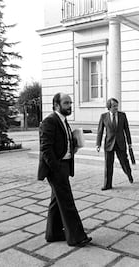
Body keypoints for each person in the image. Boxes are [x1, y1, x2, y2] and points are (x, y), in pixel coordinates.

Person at [37, 93, 92, 247]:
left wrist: (73, 146)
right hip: (57, 169)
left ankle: (53, 234)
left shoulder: (63, 120)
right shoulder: (49, 121)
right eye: (66, 103)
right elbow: (45, 149)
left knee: (57, 201)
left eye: (70, 103)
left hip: (64, 166)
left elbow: (61, 143)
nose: (70, 106)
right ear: (56, 105)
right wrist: (56, 169)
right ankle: (77, 237)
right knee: (67, 203)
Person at [96, 98, 134, 190]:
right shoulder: (103, 116)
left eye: (117, 106)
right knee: (108, 165)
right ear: (109, 107)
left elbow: (127, 130)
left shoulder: (122, 115)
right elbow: (100, 131)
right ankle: (107, 184)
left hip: (120, 143)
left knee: (124, 162)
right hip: (109, 144)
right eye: (114, 106)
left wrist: (129, 143)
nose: (116, 108)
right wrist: (98, 144)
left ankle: (129, 174)